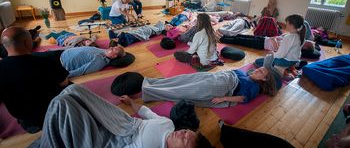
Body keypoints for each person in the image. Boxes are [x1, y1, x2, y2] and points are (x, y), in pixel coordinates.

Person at [37, 84, 211, 148]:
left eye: (185, 139)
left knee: (61, 105)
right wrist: (130, 103)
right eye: (186, 131)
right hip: (124, 121)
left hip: (114, 140)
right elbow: (146, 112)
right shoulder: (168, 124)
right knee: (72, 90)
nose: (182, 133)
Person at [115, 55, 281, 108]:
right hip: (214, 77)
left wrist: (223, 99)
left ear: (264, 80)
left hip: (220, 87)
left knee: (181, 91)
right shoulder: (249, 74)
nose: (258, 70)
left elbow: (242, 99)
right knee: (180, 79)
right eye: (260, 69)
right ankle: (150, 82)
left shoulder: (253, 86)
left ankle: (146, 93)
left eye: (261, 72)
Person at [0, 27, 69, 133]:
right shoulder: (45, 61)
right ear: (27, 42)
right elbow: (64, 82)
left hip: (27, 120)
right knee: (72, 88)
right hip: (55, 112)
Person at [60, 46, 126, 77]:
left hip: (62, 61)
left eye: (113, 49)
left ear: (114, 56)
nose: (110, 47)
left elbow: (82, 70)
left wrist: (64, 76)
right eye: (113, 47)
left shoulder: (100, 61)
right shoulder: (104, 50)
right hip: (64, 52)